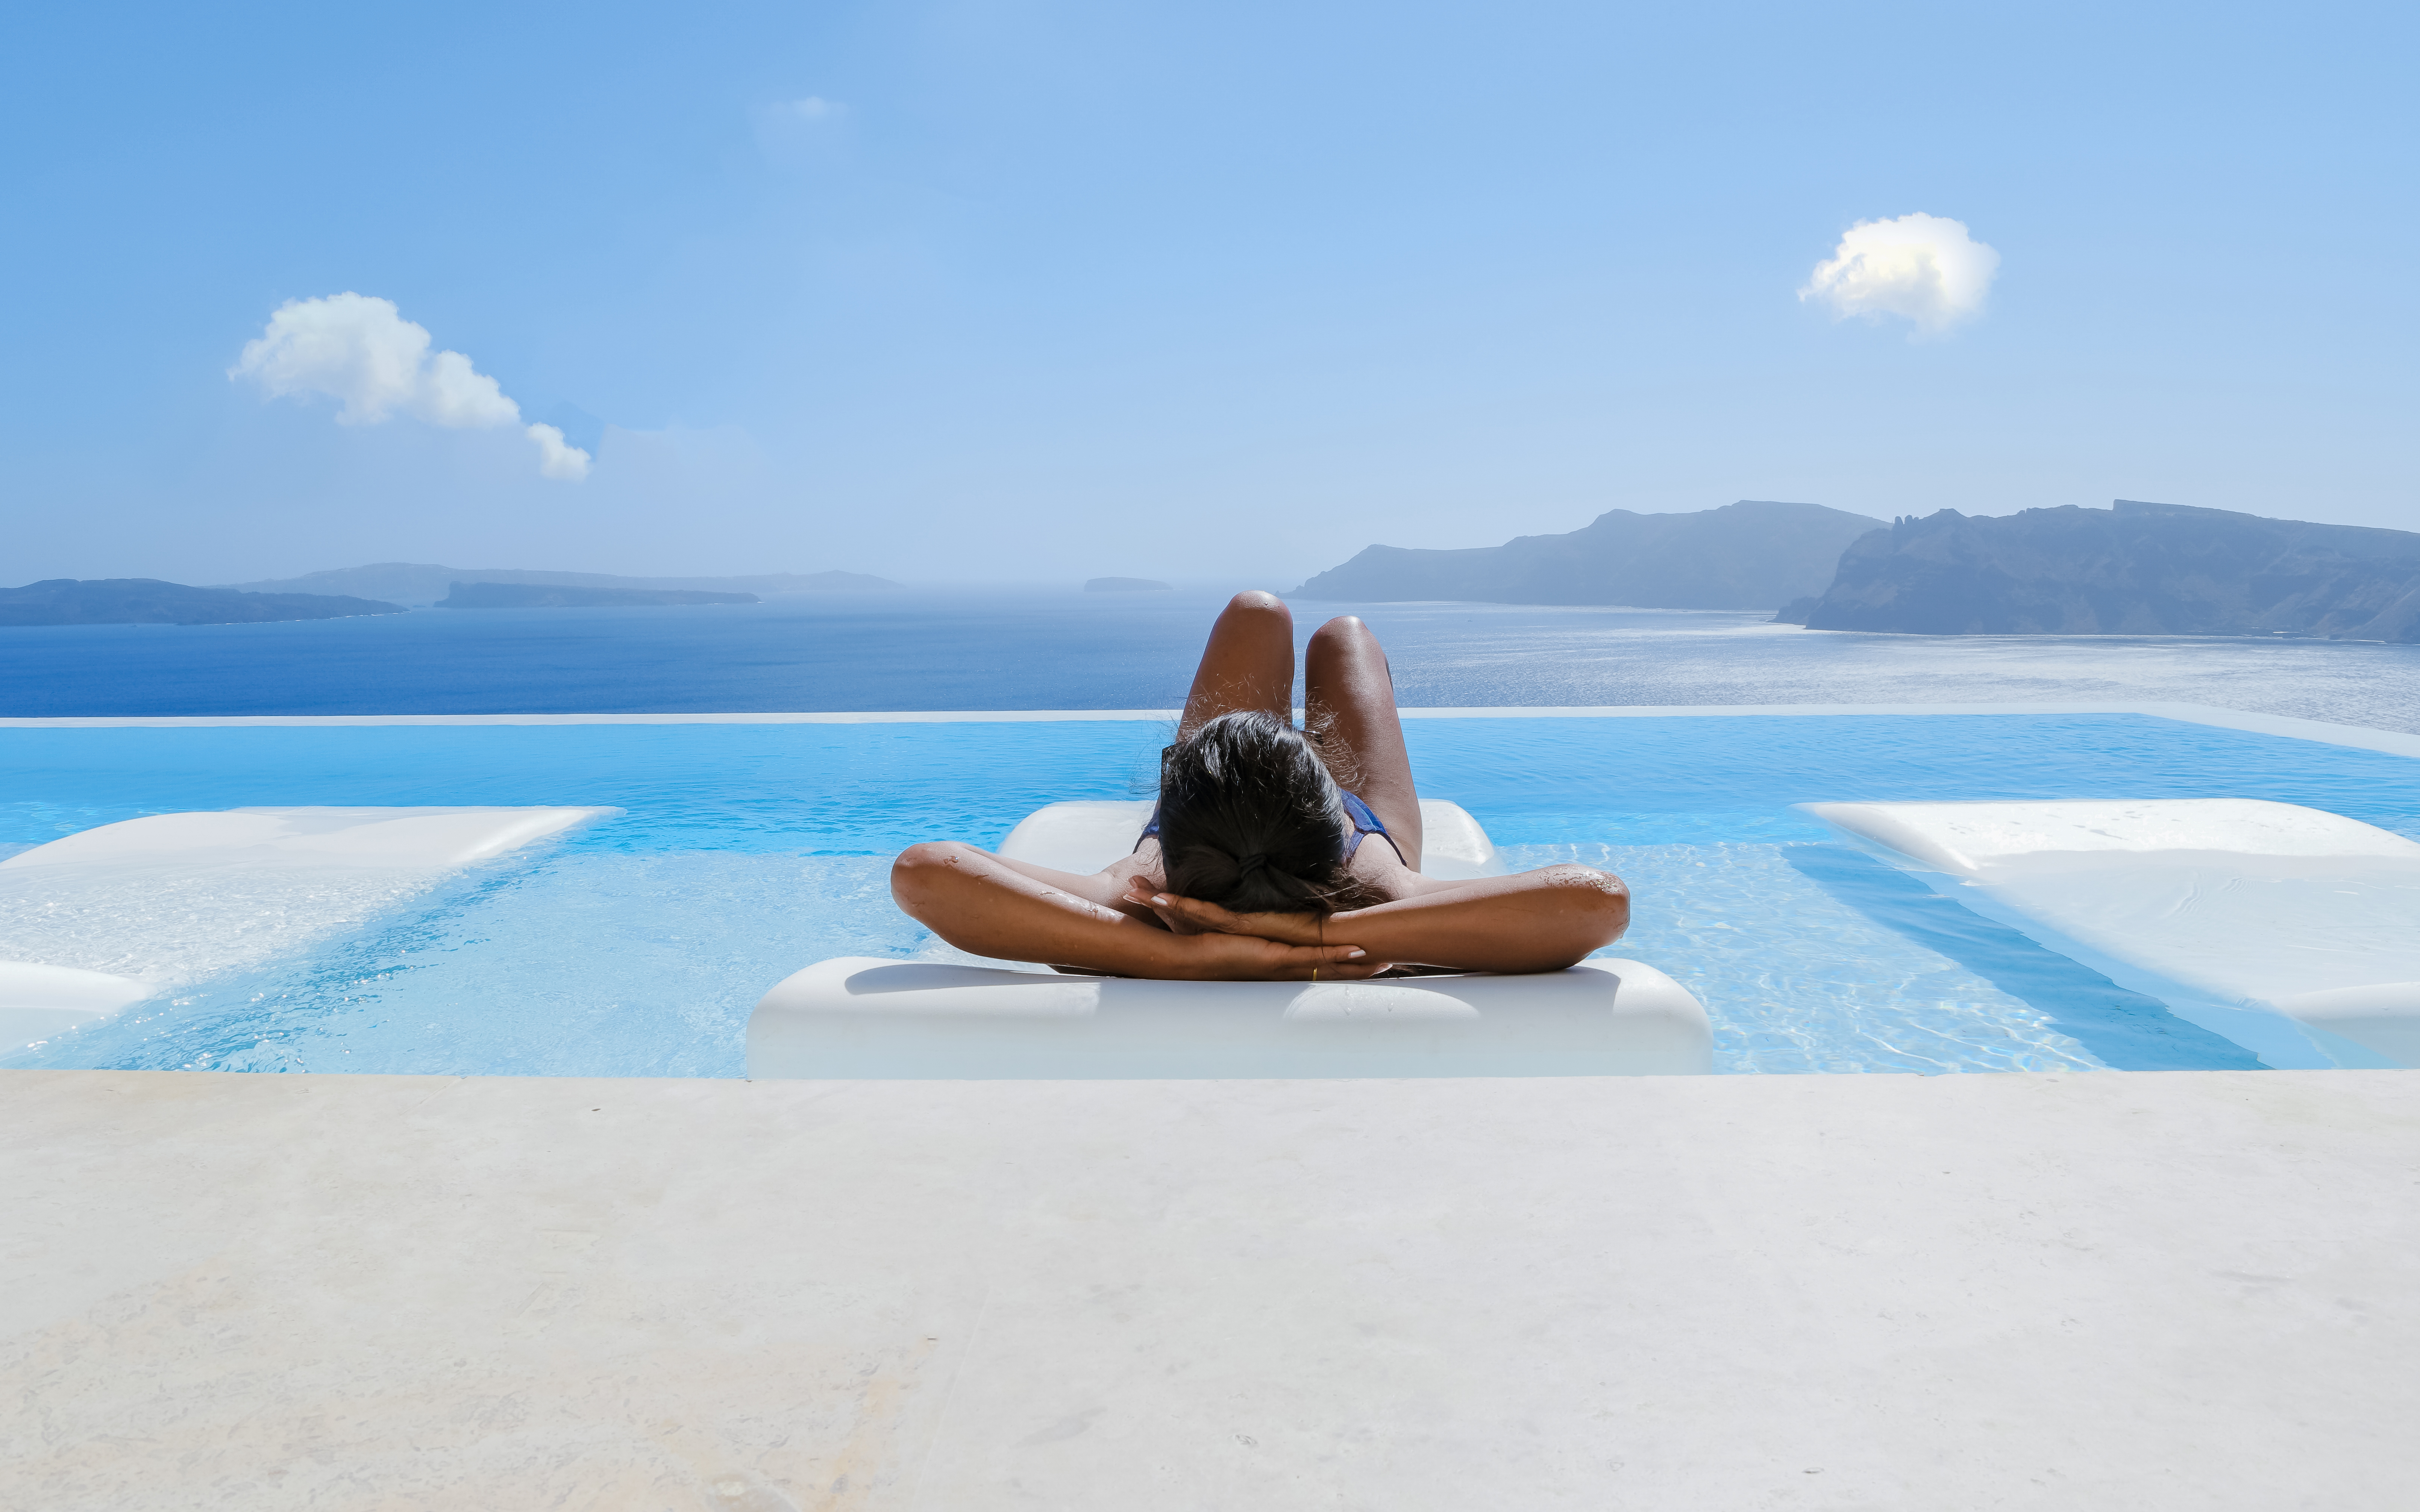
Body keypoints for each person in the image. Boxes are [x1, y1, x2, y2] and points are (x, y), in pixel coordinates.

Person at [891, 591, 1630, 980]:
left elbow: (925, 873)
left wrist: (1181, 956)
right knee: (1343, 638)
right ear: (1325, 803)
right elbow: (1595, 899)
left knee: (1255, 613)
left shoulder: (1140, 902)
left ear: (1169, 818)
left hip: (1221, 855)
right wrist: (1321, 934)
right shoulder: (1381, 898)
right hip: (1352, 855)